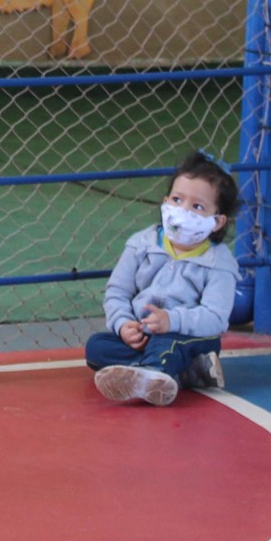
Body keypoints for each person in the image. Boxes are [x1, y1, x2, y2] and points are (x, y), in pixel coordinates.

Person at [85, 150, 239, 405]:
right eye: (177, 200)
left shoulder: (219, 264)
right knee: (96, 347)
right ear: (166, 201)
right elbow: (118, 292)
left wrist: (172, 321)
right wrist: (124, 325)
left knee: (171, 345)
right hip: (143, 336)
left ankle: (154, 375)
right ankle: (181, 372)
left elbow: (216, 318)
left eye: (197, 207)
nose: (182, 211)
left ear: (218, 222)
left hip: (187, 335)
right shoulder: (140, 244)